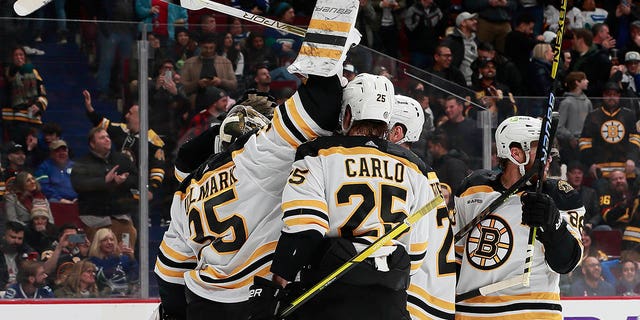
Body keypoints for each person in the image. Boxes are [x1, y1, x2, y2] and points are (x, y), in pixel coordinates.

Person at [156, 75, 347, 320]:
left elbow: (169, 272)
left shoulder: (188, 189)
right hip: (256, 296)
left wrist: (174, 314)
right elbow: (318, 111)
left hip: (205, 300)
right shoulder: (258, 160)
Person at [268, 73, 453, 319]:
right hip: (389, 300)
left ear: (347, 115)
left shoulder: (317, 153)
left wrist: (279, 281)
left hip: (328, 293)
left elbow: (304, 228)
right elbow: (417, 251)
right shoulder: (416, 168)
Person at [454, 116, 584, 318]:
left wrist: (554, 226)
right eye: (540, 152)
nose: (548, 159)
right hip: (472, 313)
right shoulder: (472, 189)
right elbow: (456, 257)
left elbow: (567, 263)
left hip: (532, 312)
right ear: (515, 153)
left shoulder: (560, 195)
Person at [83, 90, 166, 201]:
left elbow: (158, 170)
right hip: (117, 185)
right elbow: (102, 123)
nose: (126, 116)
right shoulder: (122, 129)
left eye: (130, 113)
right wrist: (90, 108)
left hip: (136, 191)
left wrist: (151, 190)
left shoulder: (154, 141)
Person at [70, 127, 138, 245]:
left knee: (127, 250)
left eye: (107, 137)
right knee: (97, 253)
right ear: (92, 143)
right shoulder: (82, 163)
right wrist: (104, 181)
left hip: (121, 217)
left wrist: (121, 182)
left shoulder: (122, 159)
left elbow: (136, 179)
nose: (107, 140)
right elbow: (79, 184)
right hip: (94, 220)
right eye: (102, 138)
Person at [578, 81, 640, 181]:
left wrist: (632, 159)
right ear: (603, 95)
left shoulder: (628, 115)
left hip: (625, 169)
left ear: (619, 96)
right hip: (600, 169)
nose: (611, 97)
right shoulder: (593, 116)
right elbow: (585, 142)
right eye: (608, 94)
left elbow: (635, 139)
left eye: (614, 94)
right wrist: (590, 163)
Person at [2, 46, 48, 146]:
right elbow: (10, 76)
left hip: (33, 120)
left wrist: (39, 105)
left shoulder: (34, 72)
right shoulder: (8, 72)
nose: (19, 57)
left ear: (25, 57)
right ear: (12, 58)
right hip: (13, 120)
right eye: (16, 55)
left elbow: (43, 94)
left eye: (21, 55)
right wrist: (18, 68)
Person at [88, 228, 138, 297]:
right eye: (105, 240)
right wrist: (116, 256)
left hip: (126, 299)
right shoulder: (92, 261)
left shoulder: (123, 258)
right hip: (103, 300)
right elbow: (103, 276)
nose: (109, 242)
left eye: (111, 239)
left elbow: (135, 278)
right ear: (98, 243)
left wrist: (132, 260)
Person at [557, 71, 592, 165]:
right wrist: (570, 137)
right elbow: (559, 126)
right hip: (570, 146)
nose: (587, 81)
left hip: (586, 143)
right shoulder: (566, 102)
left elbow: (591, 123)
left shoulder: (587, 102)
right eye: (584, 79)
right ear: (577, 82)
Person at [403, 0, 445, 69]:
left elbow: (441, 28)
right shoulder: (413, 10)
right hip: (417, 50)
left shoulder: (437, 10)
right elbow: (408, 29)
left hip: (432, 49)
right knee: (417, 75)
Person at [441, 11, 479, 87]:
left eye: (475, 20)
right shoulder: (451, 41)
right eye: (471, 20)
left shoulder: (476, 40)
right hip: (458, 83)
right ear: (463, 23)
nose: (475, 21)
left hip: (476, 82)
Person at [0, 221, 36, 290]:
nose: (16, 241)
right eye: (13, 237)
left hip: (23, 291)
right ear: (4, 236)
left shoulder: (29, 253)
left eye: (20, 238)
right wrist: (4, 287)